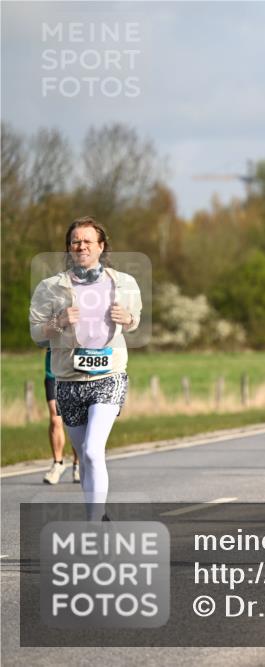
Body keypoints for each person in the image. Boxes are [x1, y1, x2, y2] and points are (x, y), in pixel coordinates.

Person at [29, 217, 142, 520]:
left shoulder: (124, 283)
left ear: (101, 246)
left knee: (92, 450)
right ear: (68, 247)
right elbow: (37, 333)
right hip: (68, 379)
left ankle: (92, 524)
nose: (81, 246)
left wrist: (128, 319)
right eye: (76, 241)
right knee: (87, 458)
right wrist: (58, 321)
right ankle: (99, 516)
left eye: (88, 241)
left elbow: (136, 322)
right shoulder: (51, 288)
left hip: (109, 375)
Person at [42, 345, 80, 484]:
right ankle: (58, 463)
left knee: (76, 417)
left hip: (77, 371)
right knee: (55, 418)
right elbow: (40, 334)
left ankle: (78, 464)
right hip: (54, 372)